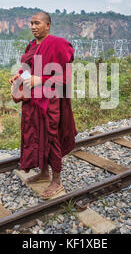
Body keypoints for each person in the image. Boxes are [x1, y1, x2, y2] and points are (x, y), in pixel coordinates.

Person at [9, 11, 77, 200]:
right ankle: (44, 173)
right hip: (32, 101)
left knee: (51, 138)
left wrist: (42, 79)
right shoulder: (32, 44)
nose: (33, 26)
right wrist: (19, 76)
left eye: (37, 23)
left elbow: (66, 76)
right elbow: (28, 68)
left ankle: (56, 180)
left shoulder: (58, 43)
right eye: (31, 23)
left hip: (50, 100)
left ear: (48, 25)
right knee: (36, 136)